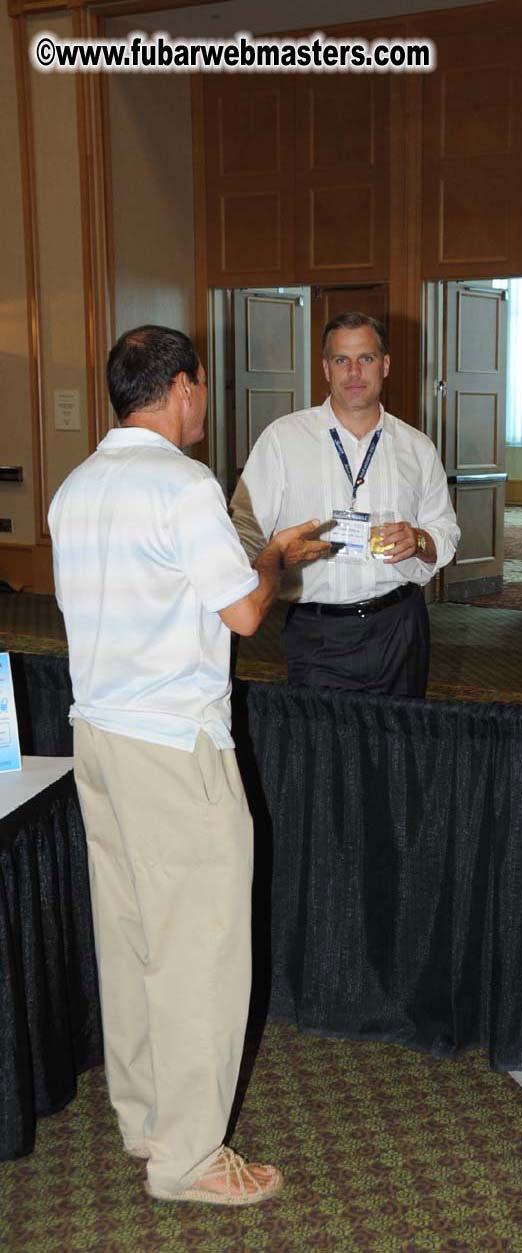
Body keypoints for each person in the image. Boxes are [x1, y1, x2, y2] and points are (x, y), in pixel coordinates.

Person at [48, 325, 329, 1205]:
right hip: (174, 746)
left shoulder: (73, 488)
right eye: (200, 383)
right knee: (201, 950)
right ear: (179, 387)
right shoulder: (184, 484)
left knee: (132, 940)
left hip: (98, 736)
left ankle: (146, 1119)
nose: (203, 397)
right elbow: (244, 613)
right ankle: (189, 1158)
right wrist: (276, 555)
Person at [230, 311, 460, 698]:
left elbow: (446, 531)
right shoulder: (283, 439)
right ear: (326, 368)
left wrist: (420, 540)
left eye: (366, 358)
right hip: (317, 634)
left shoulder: (416, 447)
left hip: (399, 630)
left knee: (401, 736)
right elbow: (245, 532)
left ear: (385, 365)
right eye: (341, 360)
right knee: (324, 736)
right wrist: (270, 564)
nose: (354, 372)